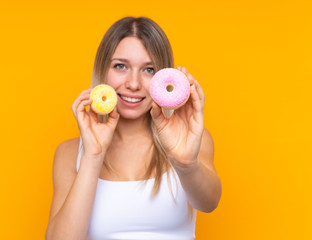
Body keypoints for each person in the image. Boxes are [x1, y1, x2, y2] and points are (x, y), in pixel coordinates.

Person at [45, 16, 222, 240]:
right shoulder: (70, 153)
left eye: (149, 70)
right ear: (103, 69)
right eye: (121, 66)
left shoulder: (187, 139)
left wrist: (185, 163)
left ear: (163, 76)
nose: (134, 84)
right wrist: (93, 155)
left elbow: (209, 203)